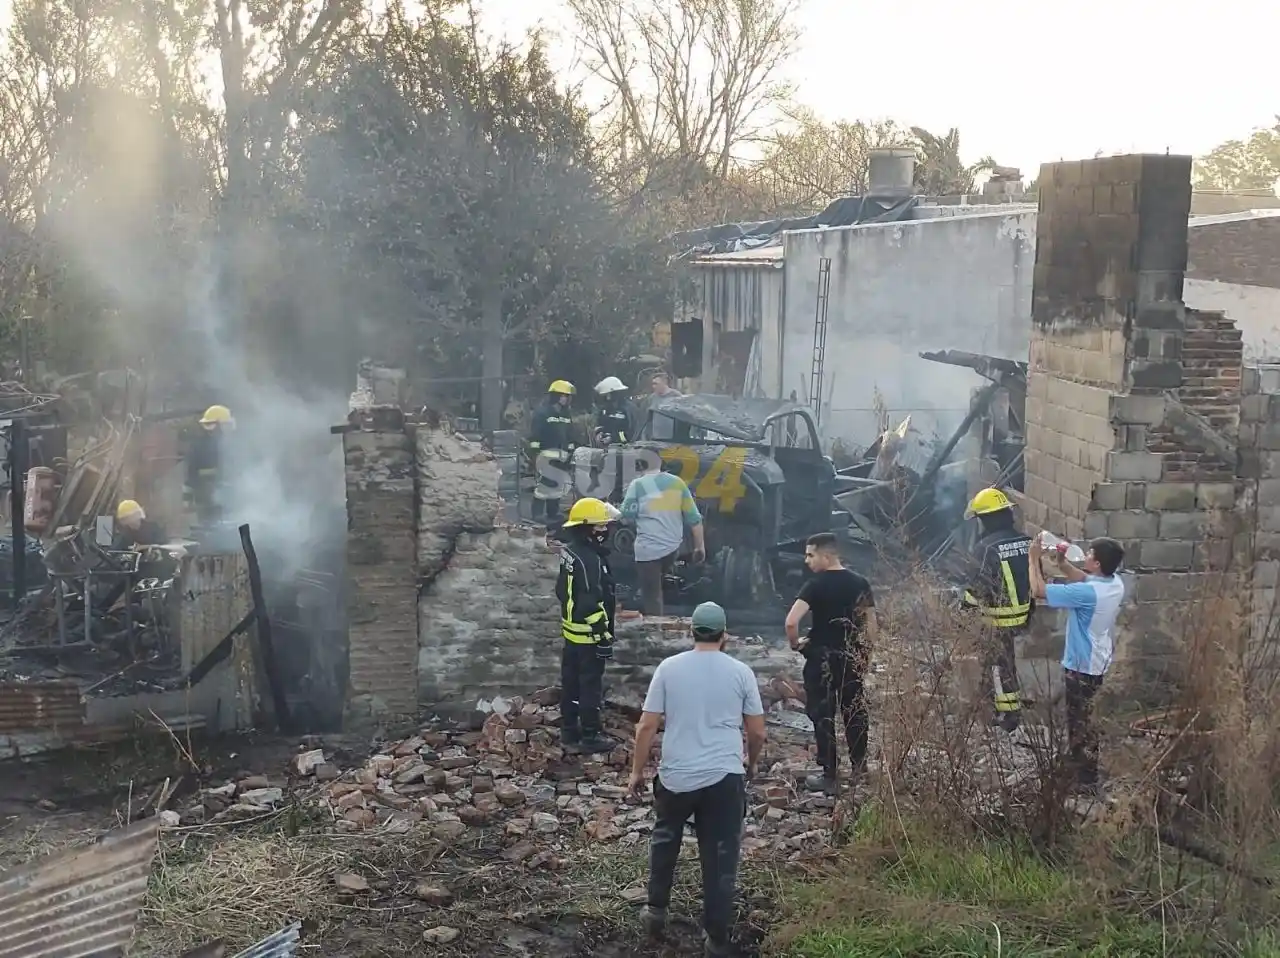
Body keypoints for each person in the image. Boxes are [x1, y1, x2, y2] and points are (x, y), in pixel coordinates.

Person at [630, 601, 766, 958]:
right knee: (720, 854)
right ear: (725, 635)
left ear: (692, 632)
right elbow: (757, 731)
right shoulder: (740, 672)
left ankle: (656, 911)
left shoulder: (669, 668)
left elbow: (646, 725)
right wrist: (751, 763)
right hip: (723, 777)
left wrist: (636, 771)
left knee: (665, 838)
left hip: (676, 776)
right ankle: (716, 939)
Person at [1028, 534, 1126, 792]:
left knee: (1079, 722)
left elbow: (1038, 591)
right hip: (1098, 660)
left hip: (1082, 665)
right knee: (1087, 719)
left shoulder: (1087, 593)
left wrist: (1033, 559)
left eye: (1091, 554)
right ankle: (1083, 768)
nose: (1086, 556)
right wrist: (1061, 562)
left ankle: (1085, 780)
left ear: (1097, 564)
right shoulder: (1114, 583)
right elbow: (1083, 578)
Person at [785, 532, 877, 794]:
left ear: (827, 555)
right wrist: (865, 654)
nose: (806, 561)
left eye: (810, 554)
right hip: (851, 656)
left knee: (823, 714)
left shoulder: (814, 586)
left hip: (821, 658)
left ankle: (830, 774)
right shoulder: (860, 583)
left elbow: (792, 622)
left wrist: (796, 644)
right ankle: (860, 769)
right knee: (855, 712)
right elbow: (871, 625)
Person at [960, 487, 1033, 731]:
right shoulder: (1026, 541)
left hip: (999, 617)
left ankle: (1008, 715)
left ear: (986, 519)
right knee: (1004, 662)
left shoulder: (985, 548)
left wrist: (964, 607)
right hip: (1025, 613)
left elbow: (978, 586)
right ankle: (997, 706)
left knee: (998, 665)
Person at [555, 496, 619, 754]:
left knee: (570, 682)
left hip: (571, 633)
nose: (606, 531)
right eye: (601, 526)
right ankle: (590, 736)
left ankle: (569, 731)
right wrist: (603, 635)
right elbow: (590, 601)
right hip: (589, 636)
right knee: (590, 686)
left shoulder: (570, 552)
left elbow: (561, 590)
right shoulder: (590, 560)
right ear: (588, 528)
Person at [620, 448, 706, 617]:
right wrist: (700, 547)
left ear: (639, 465)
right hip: (673, 549)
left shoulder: (637, 485)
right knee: (655, 580)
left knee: (652, 596)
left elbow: (626, 516)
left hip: (648, 552)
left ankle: (655, 628)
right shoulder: (678, 483)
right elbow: (694, 519)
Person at [528, 380, 577, 525]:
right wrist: (535, 454)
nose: (568, 399)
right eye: (564, 395)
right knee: (544, 486)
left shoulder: (566, 414)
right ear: (555, 396)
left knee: (557, 486)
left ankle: (553, 513)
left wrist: (571, 452)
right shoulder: (543, 413)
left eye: (569, 396)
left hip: (562, 457)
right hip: (546, 457)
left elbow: (569, 435)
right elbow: (535, 436)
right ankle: (537, 514)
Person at [185, 404, 235, 525]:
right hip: (208, 497)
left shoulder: (232, 444)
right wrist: (187, 498)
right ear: (218, 425)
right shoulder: (201, 446)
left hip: (225, 498)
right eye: (226, 424)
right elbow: (191, 473)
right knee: (214, 530)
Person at [593, 376, 636, 445]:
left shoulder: (629, 409)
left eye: (608, 394)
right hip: (606, 448)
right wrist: (599, 434)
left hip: (626, 450)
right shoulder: (605, 409)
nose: (607, 397)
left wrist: (613, 438)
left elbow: (632, 432)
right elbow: (600, 424)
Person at [646, 371, 681, 441]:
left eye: (656, 384)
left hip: (672, 437)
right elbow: (649, 418)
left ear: (664, 383)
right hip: (656, 437)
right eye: (653, 384)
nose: (654, 386)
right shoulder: (652, 398)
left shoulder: (676, 396)